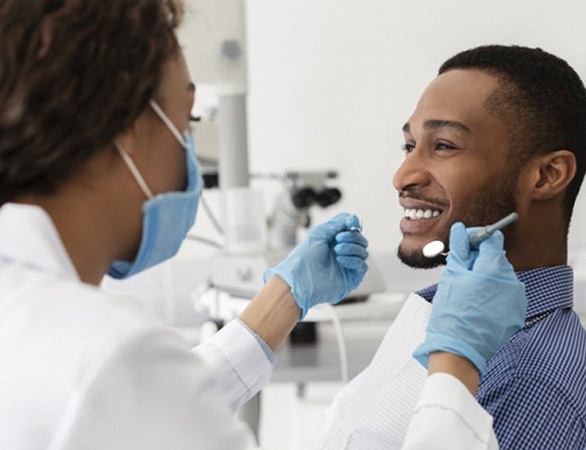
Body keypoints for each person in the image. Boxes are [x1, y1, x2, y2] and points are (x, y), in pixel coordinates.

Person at [0, 1, 533, 448]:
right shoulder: (112, 357)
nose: (403, 175)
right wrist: (457, 364)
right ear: (127, 128)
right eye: (187, 121)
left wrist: (282, 300)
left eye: (443, 146)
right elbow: (130, 396)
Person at [315, 45, 586, 450]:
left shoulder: (528, 383)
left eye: (443, 146)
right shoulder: (452, 328)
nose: (403, 176)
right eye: (410, 147)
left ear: (548, 175)